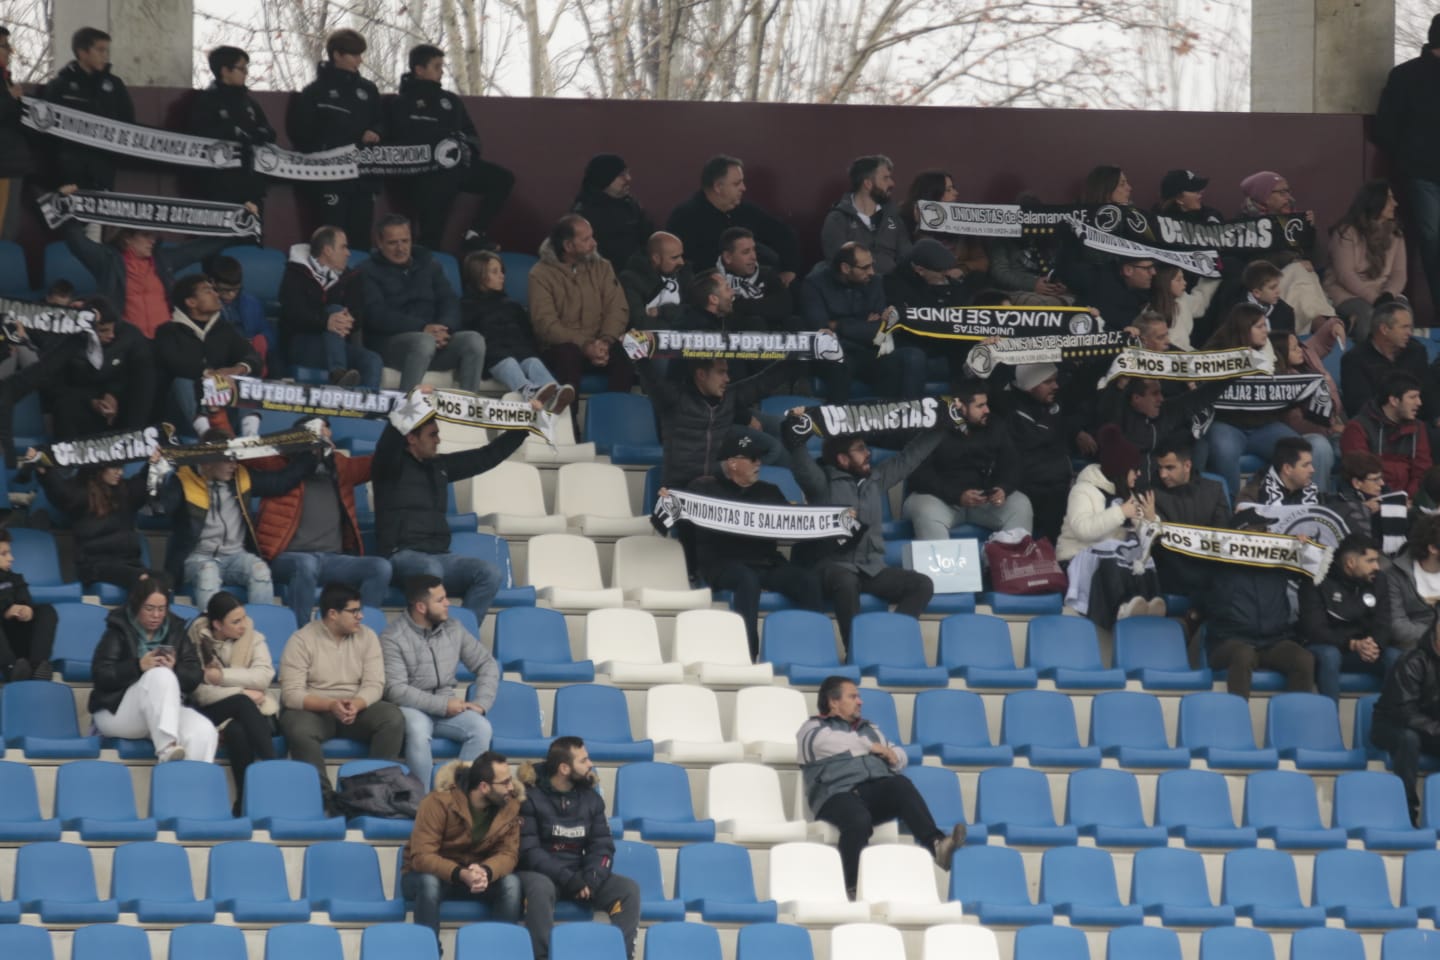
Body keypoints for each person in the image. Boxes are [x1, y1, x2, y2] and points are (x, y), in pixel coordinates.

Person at [798, 677, 966, 897]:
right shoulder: (813, 728)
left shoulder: (870, 728)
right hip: (836, 795)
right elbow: (825, 744)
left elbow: (900, 755)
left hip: (872, 791)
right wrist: (871, 747)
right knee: (857, 819)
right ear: (833, 702)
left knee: (900, 785)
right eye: (853, 696)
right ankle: (851, 887)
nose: (860, 702)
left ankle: (937, 845)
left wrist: (892, 755)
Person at [788, 421, 944, 648]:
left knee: (922, 584)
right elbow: (801, 464)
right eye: (860, 449)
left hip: (871, 569)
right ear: (842, 459)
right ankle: (857, 651)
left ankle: (891, 643)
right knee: (846, 581)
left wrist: (942, 423)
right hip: (832, 566)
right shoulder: (822, 482)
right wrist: (794, 435)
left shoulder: (875, 479)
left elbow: (910, 457)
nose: (868, 453)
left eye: (866, 448)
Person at [373, 396, 526, 625]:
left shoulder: (439, 466)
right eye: (432, 435)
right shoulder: (388, 465)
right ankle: (425, 639)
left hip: (440, 557)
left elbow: (486, 457)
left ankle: (458, 637)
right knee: (430, 568)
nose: (438, 440)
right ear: (411, 438)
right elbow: (390, 437)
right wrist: (412, 399)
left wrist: (524, 428)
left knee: (489, 573)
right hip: (400, 556)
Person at [682, 434, 825, 660]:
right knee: (747, 580)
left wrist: (831, 519)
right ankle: (747, 654)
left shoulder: (770, 491)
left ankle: (814, 651)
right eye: (752, 458)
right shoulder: (705, 489)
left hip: (766, 563)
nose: (758, 463)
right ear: (733, 463)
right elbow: (682, 518)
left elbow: (794, 524)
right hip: (723, 564)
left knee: (807, 581)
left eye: (758, 458)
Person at [252, 416, 391, 627]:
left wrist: (402, 421)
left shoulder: (340, 466)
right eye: (315, 432)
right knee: (306, 564)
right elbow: (241, 453)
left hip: (331, 560)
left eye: (326, 431)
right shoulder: (279, 464)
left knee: (380, 567)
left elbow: (381, 460)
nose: (323, 437)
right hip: (287, 558)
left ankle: (360, 632)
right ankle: (301, 634)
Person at [278, 582, 405, 808]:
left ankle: (374, 792)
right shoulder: (301, 640)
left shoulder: (368, 637)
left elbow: (375, 683)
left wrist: (356, 703)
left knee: (392, 717)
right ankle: (325, 800)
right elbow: (292, 694)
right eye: (354, 611)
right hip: (316, 709)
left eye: (360, 610)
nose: (361, 616)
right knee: (298, 728)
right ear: (333, 614)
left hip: (356, 707)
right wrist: (330, 705)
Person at [162, 427, 313, 611]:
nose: (234, 465)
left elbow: (282, 481)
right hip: (197, 559)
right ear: (208, 462)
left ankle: (259, 633)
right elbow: (160, 508)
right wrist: (155, 470)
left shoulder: (241, 476)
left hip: (236, 557)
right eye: (228, 459)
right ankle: (212, 633)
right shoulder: (182, 480)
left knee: (260, 570)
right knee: (208, 573)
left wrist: (311, 453)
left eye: (235, 458)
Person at [518, 737, 640, 960]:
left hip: (580, 874)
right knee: (540, 888)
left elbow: (602, 846)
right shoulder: (529, 797)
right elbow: (529, 852)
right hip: (542, 873)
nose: (590, 764)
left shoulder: (591, 798)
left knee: (628, 889)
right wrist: (570, 879)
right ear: (564, 768)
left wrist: (592, 878)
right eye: (583, 760)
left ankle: (621, 955)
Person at [55, 190, 233, 340]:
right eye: (146, 235)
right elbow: (77, 242)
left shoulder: (163, 259)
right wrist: (67, 203)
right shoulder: (108, 260)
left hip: (166, 341)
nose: (152, 240)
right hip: (127, 343)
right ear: (127, 238)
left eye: (154, 235)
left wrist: (237, 226)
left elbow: (199, 250)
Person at [389, 44, 513, 252]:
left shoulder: (451, 101)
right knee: (432, 233)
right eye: (436, 67)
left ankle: (475, 233)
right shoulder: (401, 103)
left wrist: (466, 150)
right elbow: (397, 141)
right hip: (425, 175)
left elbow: (471, 134)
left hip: (458, 168)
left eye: (442, 66)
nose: (442, 71)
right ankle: (427, 261)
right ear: (419, 70)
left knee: (502, 179)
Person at [381, 575, 500, 787]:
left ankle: (458, 799)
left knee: (481, 727)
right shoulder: (392, 637)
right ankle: (423, 804)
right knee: (418, 730)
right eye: (440, 600)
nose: (448, 604)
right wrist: (443, 705)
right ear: (421, 606)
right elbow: (396, 690)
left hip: (448, 708)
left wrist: (481, 704)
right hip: (411, 709)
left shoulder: (454, 628)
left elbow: (487, 664)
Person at [1202, 302, 1333, 496]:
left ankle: (1304, 505)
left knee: (1297, 453)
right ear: (1244, 328)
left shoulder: (1269, 352)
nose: (1266, 331)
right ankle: (1229, 511)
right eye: (1260, 326)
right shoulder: (1214, 351)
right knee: (1224, 451)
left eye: (1266, 325)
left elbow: (1279, 389)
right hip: (1227, 424)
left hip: (1265, 425)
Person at [90, 572, 219, 762]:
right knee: (160, 675)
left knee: (203, 730)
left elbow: (194, 676)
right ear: (137, 606)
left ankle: (191, 786)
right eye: (149, 608)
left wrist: (175, 668)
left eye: (161, 609)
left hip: (163, 712)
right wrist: (137, 666)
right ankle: (167, 748)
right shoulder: (118, 628)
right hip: (117, 712)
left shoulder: (176, 630)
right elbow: (100, 674)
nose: (156, 615)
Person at [401, 751, 524, 942]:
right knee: (429, 883)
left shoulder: (509, 806)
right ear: (484, 787)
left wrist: (486, 871)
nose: (511, 787)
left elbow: (508, 853)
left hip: (476, 877)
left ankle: (499, 950)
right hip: (431, 875)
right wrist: (460, 873)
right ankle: (429, 951)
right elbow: (422, 857)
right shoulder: (438, 802)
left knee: (511, 884)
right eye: (505, 782)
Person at [361, 215, 486, 393]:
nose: (400, 248)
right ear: (379, 243)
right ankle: (407, 408)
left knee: (474, 340)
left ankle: (467, 408)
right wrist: (423, 328)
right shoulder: (367, 270)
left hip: (434, 341)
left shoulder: (429, 264)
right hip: (390, 345)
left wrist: (445, 328)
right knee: (423, 341)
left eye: (405, 241)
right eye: (392, 243)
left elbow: (449, 300)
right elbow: (376, 315)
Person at [637, 348, 793, 491]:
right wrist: (639, 354)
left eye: (727, 372)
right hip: (678, 491)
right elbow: (651, 380)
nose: (727, 378)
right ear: (701, 375)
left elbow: (766, 381)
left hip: (715, 492)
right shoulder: (674, 399)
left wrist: (800, 355)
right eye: (721, 372)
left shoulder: (729, 397)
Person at [1056, 425, 1164, 623]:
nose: (1139, 474)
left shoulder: (1128, 495)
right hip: (1076, 558)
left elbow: (1146, 541)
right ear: (1121, 469)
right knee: (1111, 551)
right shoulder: (1083, 490)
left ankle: (1148, 604)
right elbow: (1084, 530)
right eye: (1135, 469)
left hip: (1113, 561)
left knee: (1142, 556)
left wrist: (1150, 521)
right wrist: (1120, 512)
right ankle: (1120, 606)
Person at [288, 28, 385, 245]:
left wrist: (376, 132)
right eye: (354, 54)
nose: (360, 60)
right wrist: (329, 145)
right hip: (328, 179)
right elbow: (301, 133)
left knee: (360, 238)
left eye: (361, 54)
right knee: (332, 237)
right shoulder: (314, 91)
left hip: (362, 177)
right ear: (337, 55)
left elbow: (381, 121)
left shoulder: (368, 90)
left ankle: (358, 277)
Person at [1373, 15, 1440, 323]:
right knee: (1433, 241)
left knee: (1432, 241)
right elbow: (1384, 128)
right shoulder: (1406, 76)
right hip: (1422, 173)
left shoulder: (1404, 75)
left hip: (1420, 172)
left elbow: (1384, 128)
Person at [903, 380, 1033, 538]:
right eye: (980, 406)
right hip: (940, 499)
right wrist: (957, 495)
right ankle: (944, 562)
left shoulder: (994, 425)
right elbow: (919, 476)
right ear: (960, 407)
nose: (987, 410)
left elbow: (1012, 464)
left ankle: (1011, 561)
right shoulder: (931, 427)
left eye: (986, 404)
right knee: (925, 509)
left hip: (983, 500)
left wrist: (1003, 488)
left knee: (1021, 505)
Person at [185, 591, 277, 813]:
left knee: (238, 730)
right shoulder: (195, 641)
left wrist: (221, 677)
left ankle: (243, 803)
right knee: (242, 703)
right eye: (235, 622)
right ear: (217, 624)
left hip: (257, 711)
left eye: (244, 618)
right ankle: (275, 770)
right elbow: (200, 692)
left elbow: (264, 677)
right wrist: (243, 692)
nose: (243, 625)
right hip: (211, 710)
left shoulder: (254, 638)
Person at [528, 214, 634, 399]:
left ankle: (614, 417)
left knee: (624, 351)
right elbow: (545, 325)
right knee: (568, 355)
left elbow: (617, 307)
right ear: (568, 246)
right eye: (586, 239)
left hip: (600, 345)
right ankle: (569, 423)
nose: (594, 243)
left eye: (592, 236)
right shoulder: (540, 274)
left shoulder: (603, 267)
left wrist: (606, 341)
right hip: (561, 349)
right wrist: (585, 345)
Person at [802, 243, 925, 402]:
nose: (872, 272)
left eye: (872, 265)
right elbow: (823, 334)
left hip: (869, 351)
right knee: (839, 362)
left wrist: (838, 325)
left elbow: (880, 330)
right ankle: (838, 423)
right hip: (837, 354)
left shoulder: (875, 281)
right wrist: (862, 324)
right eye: (865, 267)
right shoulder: (814, 285)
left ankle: (900, 419)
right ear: (846, 268)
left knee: (906, 358)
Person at [33, 447, 164, 592]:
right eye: (114, 467)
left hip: (129, 562)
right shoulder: (80, 493)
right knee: (143, 580)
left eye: (121, 467)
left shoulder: (125, 491)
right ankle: (129, 614)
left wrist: (153, 464)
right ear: (99, 468)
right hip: (94, 564)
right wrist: (45, 470)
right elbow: (60, 492)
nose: (119, 472)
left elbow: (142, 482)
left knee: (165, 580)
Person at [460, 251, 573, 413]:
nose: (502, 276)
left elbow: (527, 334)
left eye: (502, 271)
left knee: (532, 361)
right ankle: (528, 390)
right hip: (493, 357)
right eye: (495, 272)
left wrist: (531, 351)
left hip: (519, 351)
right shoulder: (467, 306)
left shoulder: (513, 305)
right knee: (509, 362)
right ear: (479, 275)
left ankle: (555, 392)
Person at [665, 154, 800, 283]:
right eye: (737, 184)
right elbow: (685, 270)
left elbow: (784, 234)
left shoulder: (744, 209)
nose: (744, 188)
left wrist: (789, 269)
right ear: (718, 187)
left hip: (758, 284)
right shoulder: (685, 218)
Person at [278, 225, 382, 390]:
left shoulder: (351, 277)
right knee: (334, 310)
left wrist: (348, 320)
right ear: (327, 250)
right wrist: (326, 321)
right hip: (302, 346)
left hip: (337, 346)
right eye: (343, 247)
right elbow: (293, 313)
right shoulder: (295, 273)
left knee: (372, 360)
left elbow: (358, 315)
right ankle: (338, 374)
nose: (348, 253)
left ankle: (368, 411)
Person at [155, 275, 261, 435]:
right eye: (208, 291)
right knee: (181, 381)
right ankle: (205, 434)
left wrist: (236, 370)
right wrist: (210, 375)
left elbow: (253, 357)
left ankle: (250, 435)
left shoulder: (225, 329)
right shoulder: (168, 332)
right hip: (183, 416)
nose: (216, 295)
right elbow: (175, 363)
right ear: (191, 302)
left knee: (246, 376)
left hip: (224, 407)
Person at [1301, 533, 1399, 703]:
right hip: (1327, 648)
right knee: (1330, 656)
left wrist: (1374, 645)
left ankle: (1391, 721)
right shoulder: (1317, 579)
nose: (1377, 566)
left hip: (1363, 650)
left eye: (1377, 560)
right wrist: (1352, 644)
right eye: (1370, 561)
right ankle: (1330, 721)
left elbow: (1384, 621)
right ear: (1351, 563)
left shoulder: (1378, 580)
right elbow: (1315, 629)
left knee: (1395, 656)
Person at [1236, 171, 1337, 332]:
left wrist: (1309, 231)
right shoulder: (1245, 224)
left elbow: (1315, 260)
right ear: (1264, 196)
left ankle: (1319, 324)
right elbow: (1255, 260)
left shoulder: (1293, 220)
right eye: (1281, 192)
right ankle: (1324, 324)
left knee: (1303, 276)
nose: (1288, 197)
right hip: (1264, 288)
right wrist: (1290, 259)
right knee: (1299, 271)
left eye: (1288, 191)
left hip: (1295, 287)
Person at [45, 297, 154, 440]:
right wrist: (91, 401)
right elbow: (56, 386)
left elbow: (136, 376)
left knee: (144, 385)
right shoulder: (64, 342)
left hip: (117, 402)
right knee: (65, 406)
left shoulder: (130, 336)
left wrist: (113, 394)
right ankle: (70, 455)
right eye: (103, 330)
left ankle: (134, 440)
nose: (111, 335)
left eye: (112, 329)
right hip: (81, 401)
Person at [40, 27, 133, 192]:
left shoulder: (115, 85)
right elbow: (47, 131)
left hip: (103, 166)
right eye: (100, 50)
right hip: (69, 168)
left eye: (106, 50)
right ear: (82, 52)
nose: (105, 56)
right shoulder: (59, 86)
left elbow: (128, 123)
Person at [1203, 563, 1315, 701]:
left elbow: (1311, 571)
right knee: (1243, 655)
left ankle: (1294, 719)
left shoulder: (1280, 562)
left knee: (1303, 659)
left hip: (1273, 640)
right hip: (1228, 639)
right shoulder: (1222, 562)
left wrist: (1301, 545)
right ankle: (1238, 719)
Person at [1371, 614, 1440, 826]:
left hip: (1430, 728)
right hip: (1391, 725)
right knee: (1409, 740)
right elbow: (1403, 711)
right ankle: (1406, 811)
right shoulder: (1413, 661)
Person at [996, 363, 1077, 541]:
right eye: (1047, 382)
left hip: (1059, 483)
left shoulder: (1054, 403)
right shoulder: (1010, 411)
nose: (1055, 386)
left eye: (1055, 380)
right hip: (1031, 487)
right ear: (1030, 386)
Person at [188, 46, 275, 210]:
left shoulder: (249, 102)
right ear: (225, 71)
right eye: (241, 68)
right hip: (220, 186)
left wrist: (257, 135)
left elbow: (269, 131)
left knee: (253, 232)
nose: (246, 73)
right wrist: (233, 134)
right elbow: (200, 135)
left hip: (252, 184)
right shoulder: (207, 101)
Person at [1323, 180, 1407, 340]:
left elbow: (1399, 273)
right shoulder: (1346, 232)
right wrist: (1375, 299)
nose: (1395, 204)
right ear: (1375, 202)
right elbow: (1345, 275)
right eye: (1389, 199)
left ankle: (1398, 363)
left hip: (1384, 293)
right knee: (1367, 317)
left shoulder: (1396, 234)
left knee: (1402, 315)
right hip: (1348, 293)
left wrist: (1388, 295)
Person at [1151, 437, 1230, 603]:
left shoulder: (1214, 490)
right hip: (1173, 573)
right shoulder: (1152, 495)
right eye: (1160, 468)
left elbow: (1222, 535)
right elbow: (1163, 546)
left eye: (1170, 468)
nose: (1163, 474)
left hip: (1209, 566)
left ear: (1187, 465)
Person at [1341, 373, 1432, 499]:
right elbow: (1361, 473)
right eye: (1412, 397)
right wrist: (1391, 500)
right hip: (1371, 501)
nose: (1419, 403)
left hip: (1409, 501)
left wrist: (1408, 498)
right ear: (1394, 400)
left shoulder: (1418, 427)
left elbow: (1422, 471)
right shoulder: (1357, 427)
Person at [820, 155, 911, 274]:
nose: (892, 183)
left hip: (892, 286)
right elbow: (837, 264)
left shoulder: (893, 216)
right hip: (856, 287)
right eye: (885, 178)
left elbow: (906, 257)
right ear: (868, 183)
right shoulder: (838, 219)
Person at [1340, 301, 1427, 419]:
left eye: (1410, 327)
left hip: (1416, 423)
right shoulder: (1354, 360)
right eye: (1404, 327)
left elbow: (1426, 393)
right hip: (1377, 427)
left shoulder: (1417, 352)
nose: (1410, 333)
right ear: (1384, 329)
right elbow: (1358, 406)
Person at [572, 154, 653, 272]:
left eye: (628, 173)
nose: (628, 178)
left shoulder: (630, 204)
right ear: (604, 179)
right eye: (621, 175)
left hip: (639, 275)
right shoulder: (583, 215)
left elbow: (648, 238)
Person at [0, 528, 56, 682]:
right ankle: (10, 669)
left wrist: (26, 610)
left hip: (17, 641)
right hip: (3, 651)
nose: (11, 558)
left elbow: (26, 600)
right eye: (3, 554)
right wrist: (5, 613)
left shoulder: (15, 579)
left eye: (9, 552)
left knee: (46, 610)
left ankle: (37, 666)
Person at [207, 255, 277, 377]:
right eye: (225, 290)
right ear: (213, 282)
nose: (231, 294)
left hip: (249, 359)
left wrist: (261, 341)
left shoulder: (252, 303)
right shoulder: (206, 304)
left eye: (236, 289)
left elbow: (267, 332)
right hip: (221, 362)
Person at [718, 227, 796, 330]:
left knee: (794, 322)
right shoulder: (716, 279)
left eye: (754, 250)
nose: (754, 257)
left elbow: (785, 306)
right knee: (754, 322)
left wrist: (738, 306)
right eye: (746, 252)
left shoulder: (767, 273)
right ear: (728, 257)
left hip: (771, 333)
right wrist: (764, 304)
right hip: (733, 338)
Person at [1386, 513, 1440, 653]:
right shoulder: (1396, 574)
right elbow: (1397, 625)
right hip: (1413, 648)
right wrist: (1435, 636)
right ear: (1433, 548)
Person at [619, 231, 694, 330]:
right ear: (656, 258)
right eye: (674, 258)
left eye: (681, 256)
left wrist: (662, 311)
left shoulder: (683, 274)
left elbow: (695, 312)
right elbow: (639, 322)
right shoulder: (631, 280)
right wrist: (678, 326)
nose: (682, 262)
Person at [0, 25, 33, 240]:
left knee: (8, 229)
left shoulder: (6, 79)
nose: (8, 51)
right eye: (3, 45)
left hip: (11, 163)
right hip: (4, 164)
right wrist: (11, 99)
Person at [1236, 436, 1320, 508]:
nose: (1312, 470)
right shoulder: (1252, 497)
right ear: (1287, 469)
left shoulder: (1314, 494)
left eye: (1311, 464)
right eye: (1305, 465)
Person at [1148, 264, 1217, 351]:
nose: (1184, 283)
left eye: (1183, 278)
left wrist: (1212, 275)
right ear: (1165, 282)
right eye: (1178, 280)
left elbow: (1199, 302)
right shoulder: (1150, 312)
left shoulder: (1183, 300)